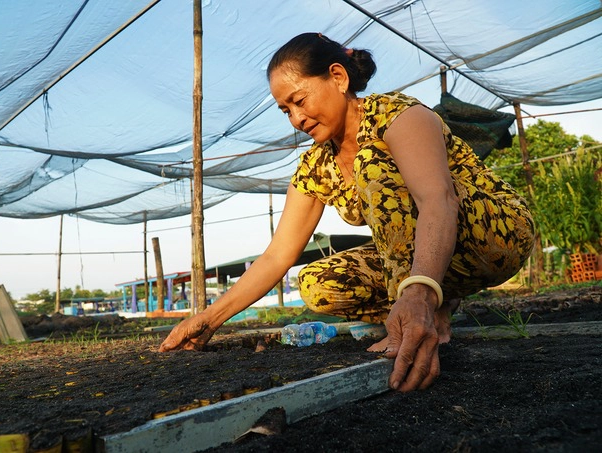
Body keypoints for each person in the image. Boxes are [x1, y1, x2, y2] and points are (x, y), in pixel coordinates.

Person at [160, 32, 535, 392]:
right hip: (434, 257)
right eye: (285, 110)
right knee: (317, 283)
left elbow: (438, 200)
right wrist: (209, 319)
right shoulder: (316, 165)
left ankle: (419, 302)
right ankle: (435, 303)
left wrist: (417, 293)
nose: (295, 119)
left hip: (494, 234)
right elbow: (277, 256)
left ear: (337, 77)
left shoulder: (397, 116)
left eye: (299, 100)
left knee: (372, 164)